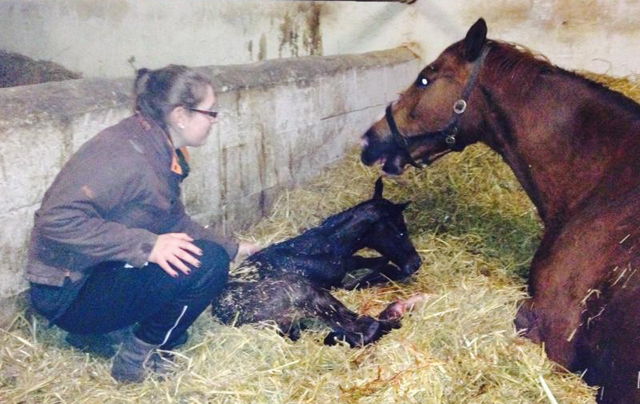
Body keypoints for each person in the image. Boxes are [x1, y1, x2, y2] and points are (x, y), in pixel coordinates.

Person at [26, 65, 259, 383]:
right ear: (180, 115)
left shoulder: (158, 147)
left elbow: (172, 219)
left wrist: (233, 248)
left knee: (209, 255)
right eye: (210, 112)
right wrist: (147, 246)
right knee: (207, 265)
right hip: (68, 295)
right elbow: (56, 221)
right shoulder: (126, 154)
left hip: (97, 273)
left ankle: (109, 334)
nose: (215, 120)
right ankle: (135, 358)